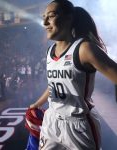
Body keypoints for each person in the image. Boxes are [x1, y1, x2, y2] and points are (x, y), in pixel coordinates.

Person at [30, 0, 117, 150]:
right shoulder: (50, 51)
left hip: (79, 125)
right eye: (43, 17)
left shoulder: (84, 49)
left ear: (69, 18)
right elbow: (53, 85)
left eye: (51, 16)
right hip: (51, 120)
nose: (44, 22)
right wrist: (37, 103)